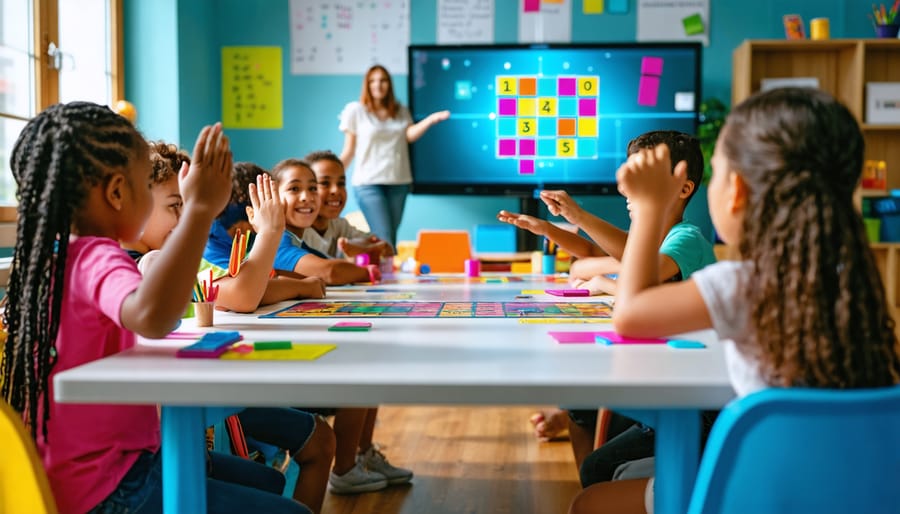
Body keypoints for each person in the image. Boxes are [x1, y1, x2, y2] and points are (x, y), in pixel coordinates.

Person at [569, 88, 900, 514]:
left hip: (756, 492)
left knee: (589, 503)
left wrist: (651, 208)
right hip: (859, 489)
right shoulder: (853, 284)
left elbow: (630, 318)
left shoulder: (740, 285)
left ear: (737, 190)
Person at [0, 102, 308, 513]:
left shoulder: (50, 259)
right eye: (146, 187)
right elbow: (152, 316)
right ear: (116, 193)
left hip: (71, 477)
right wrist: (198, 211)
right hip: (110, 486)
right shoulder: (95, 256)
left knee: (270, 481)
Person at [131, 150, 334, 513]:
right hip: (148, 450)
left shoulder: (161, 258)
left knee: (273, 480)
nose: (188, 218)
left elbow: (241, 291)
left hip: (167, 427)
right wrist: (271, 233)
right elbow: (241, 295)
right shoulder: (148, 263)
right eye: (177, 206)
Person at [499, 131, 716, 470]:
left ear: (684, 188)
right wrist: (553, 226)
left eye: (639, 178)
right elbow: (592, 254)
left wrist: (603, 279)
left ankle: (605, 487)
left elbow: (640, 281)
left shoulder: (686, 238)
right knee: (581, 408)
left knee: (597, 465)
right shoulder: (655, 238)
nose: (623, 188)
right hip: (657, 371)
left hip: (682, 389)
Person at [339, 64, 450, 248]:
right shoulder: (356, 111)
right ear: (367, 84)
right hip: (368, 184)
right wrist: (328, 179)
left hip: (399, 182)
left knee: (388, 235)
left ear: (389, 84)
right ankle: (385, 273)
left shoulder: (400, 110)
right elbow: (348, 151)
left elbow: (409, 135)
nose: (378, 85)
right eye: (373, 80)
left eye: (382, 80)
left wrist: (431, 120)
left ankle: (371, 266)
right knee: (385, 237)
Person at [270, 158, 380, 285]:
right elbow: (331, 272)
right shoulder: (275, 241)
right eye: (294, 188)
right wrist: (367, 272)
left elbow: (329, 262)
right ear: (273, 197)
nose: (307, 197)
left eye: (312, 188)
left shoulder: (299, 243)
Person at [303, 149, 393, 260]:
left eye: (341, 183)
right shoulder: (298, 231)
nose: (336, 190)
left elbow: (386, 248)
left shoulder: (340, 226)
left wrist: (362, 246)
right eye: (325, 183)